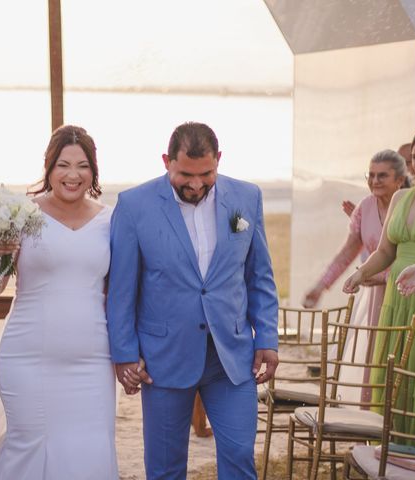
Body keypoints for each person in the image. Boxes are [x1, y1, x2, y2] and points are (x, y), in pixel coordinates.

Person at [107, 121, 279, 480]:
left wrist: (266, 337)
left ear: (219, 160)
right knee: (166, 468)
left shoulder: (247, 197)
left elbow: (259, 276)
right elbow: (122, 288)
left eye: (207, 174)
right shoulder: (134, 205)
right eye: (185, 174)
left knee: (239, 457)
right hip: (163, 361)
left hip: (231, 358)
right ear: (166, 160)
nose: (196, 185)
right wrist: (124, 354)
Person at [0, 125, 117, 479]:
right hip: (28, 358)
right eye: (63, 165)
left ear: (93, 171)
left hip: (92, 360)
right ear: (49, 168)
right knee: (29, 446)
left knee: (90, 447)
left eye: (82, 166)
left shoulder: (110, 220)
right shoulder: (22, 215)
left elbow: (118, 293)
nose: (72, 175)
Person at [303, 150, 407, 403]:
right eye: (370, 175)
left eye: (382, 175)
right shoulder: (365, 208)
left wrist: (384, 277)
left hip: (403, 293)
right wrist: (320, 286)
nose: (374, 181)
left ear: (399, 180)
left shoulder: (409, 206)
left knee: (398, 359)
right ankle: (369, 426)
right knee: (370, 361)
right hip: (371, 299)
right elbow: (346, 253)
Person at [343, 125, 415, 438]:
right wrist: (361, 272)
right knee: (391, 379)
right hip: (396, 300)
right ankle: (387, 450)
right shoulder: (402, 197)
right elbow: (385, 251)